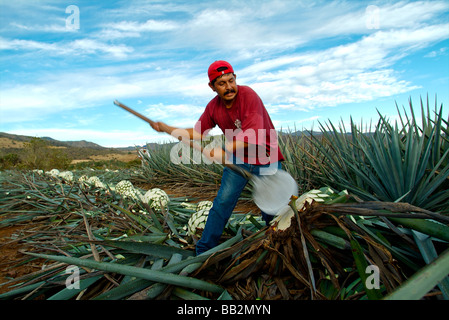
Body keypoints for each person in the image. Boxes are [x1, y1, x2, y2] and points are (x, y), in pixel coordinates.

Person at [149, 60, 284, 255]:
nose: (229, 87)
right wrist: (166, 128)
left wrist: (225, 147)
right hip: (239, 159)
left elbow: (254, 133)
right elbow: (198, 132)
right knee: (222, 203)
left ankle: (277, 246)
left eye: (231, 80)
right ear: (212, 86)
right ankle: (203, 251)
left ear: (235, 78)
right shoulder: (213, 107)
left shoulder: (248, 95)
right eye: (222, 83)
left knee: (271, 206)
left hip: (266, 157)